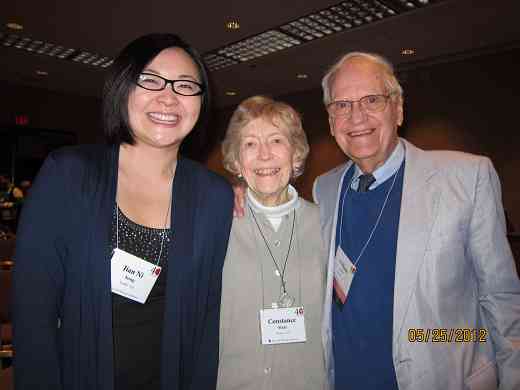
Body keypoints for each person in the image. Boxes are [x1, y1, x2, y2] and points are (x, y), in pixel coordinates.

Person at [12, 33, 233, 390]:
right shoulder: (69, 175)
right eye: (150, 80)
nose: (169, 96)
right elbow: (33, 316)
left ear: (201, 102)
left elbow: (207, 322)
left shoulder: (214, 196)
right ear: (122, 88)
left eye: (186, 85)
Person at [314, 52, 520, 389]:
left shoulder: (467, 177)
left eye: (371, 99)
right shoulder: (324, 189)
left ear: (398, 109)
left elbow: (501, 299)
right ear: (330, 120)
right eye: (342, 105)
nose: (357, 116)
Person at [218, 96, 327, 389]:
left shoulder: (327, 225)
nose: (264, 155)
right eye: (250, 144)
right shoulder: (215, 224)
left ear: (296, 155)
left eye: (277, 141)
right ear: (237, 161)